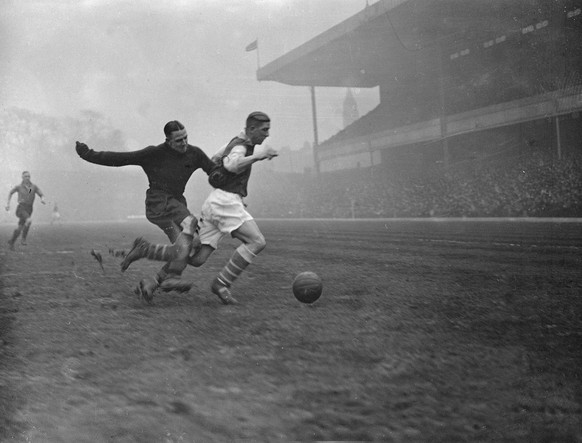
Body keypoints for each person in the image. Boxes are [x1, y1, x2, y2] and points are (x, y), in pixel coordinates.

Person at [121, 111, 278, 304]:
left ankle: (149, 263)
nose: (267, 134)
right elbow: (232, 164)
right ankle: (222, 284)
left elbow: (217, 157)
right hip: (225, 203)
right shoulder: (241, 146)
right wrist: (259, 156)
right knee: (257, 241)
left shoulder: (236, 141)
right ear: (252, 129)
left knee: (195, 257)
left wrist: (232, 187)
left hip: (220, 201)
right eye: (264, 130)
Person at [75, 120, 215, 293]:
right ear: (168, 141)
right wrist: (88, 154)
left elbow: (214, 172)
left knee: (186, 247)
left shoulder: (195, 153)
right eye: (179, 140)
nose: (184, 143)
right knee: (190, 226)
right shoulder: (154, 153)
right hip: (158, 202)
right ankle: (171, 277)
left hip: (177, 204)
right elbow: (120, 159)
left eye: (186, 138)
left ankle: (151, 277)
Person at [6, 171, 46, 250]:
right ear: (22, 178)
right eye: (25, 176)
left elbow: (41, 194)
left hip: (29, 209)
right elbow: (10, 193)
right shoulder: (19, 187)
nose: (27, 178)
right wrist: (8, 204)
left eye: (28, 176)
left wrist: (42, 199)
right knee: (29, 220)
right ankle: (23, 239)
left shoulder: (33, 187)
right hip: (21, 208)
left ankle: (12, 242)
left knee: (20, 228)